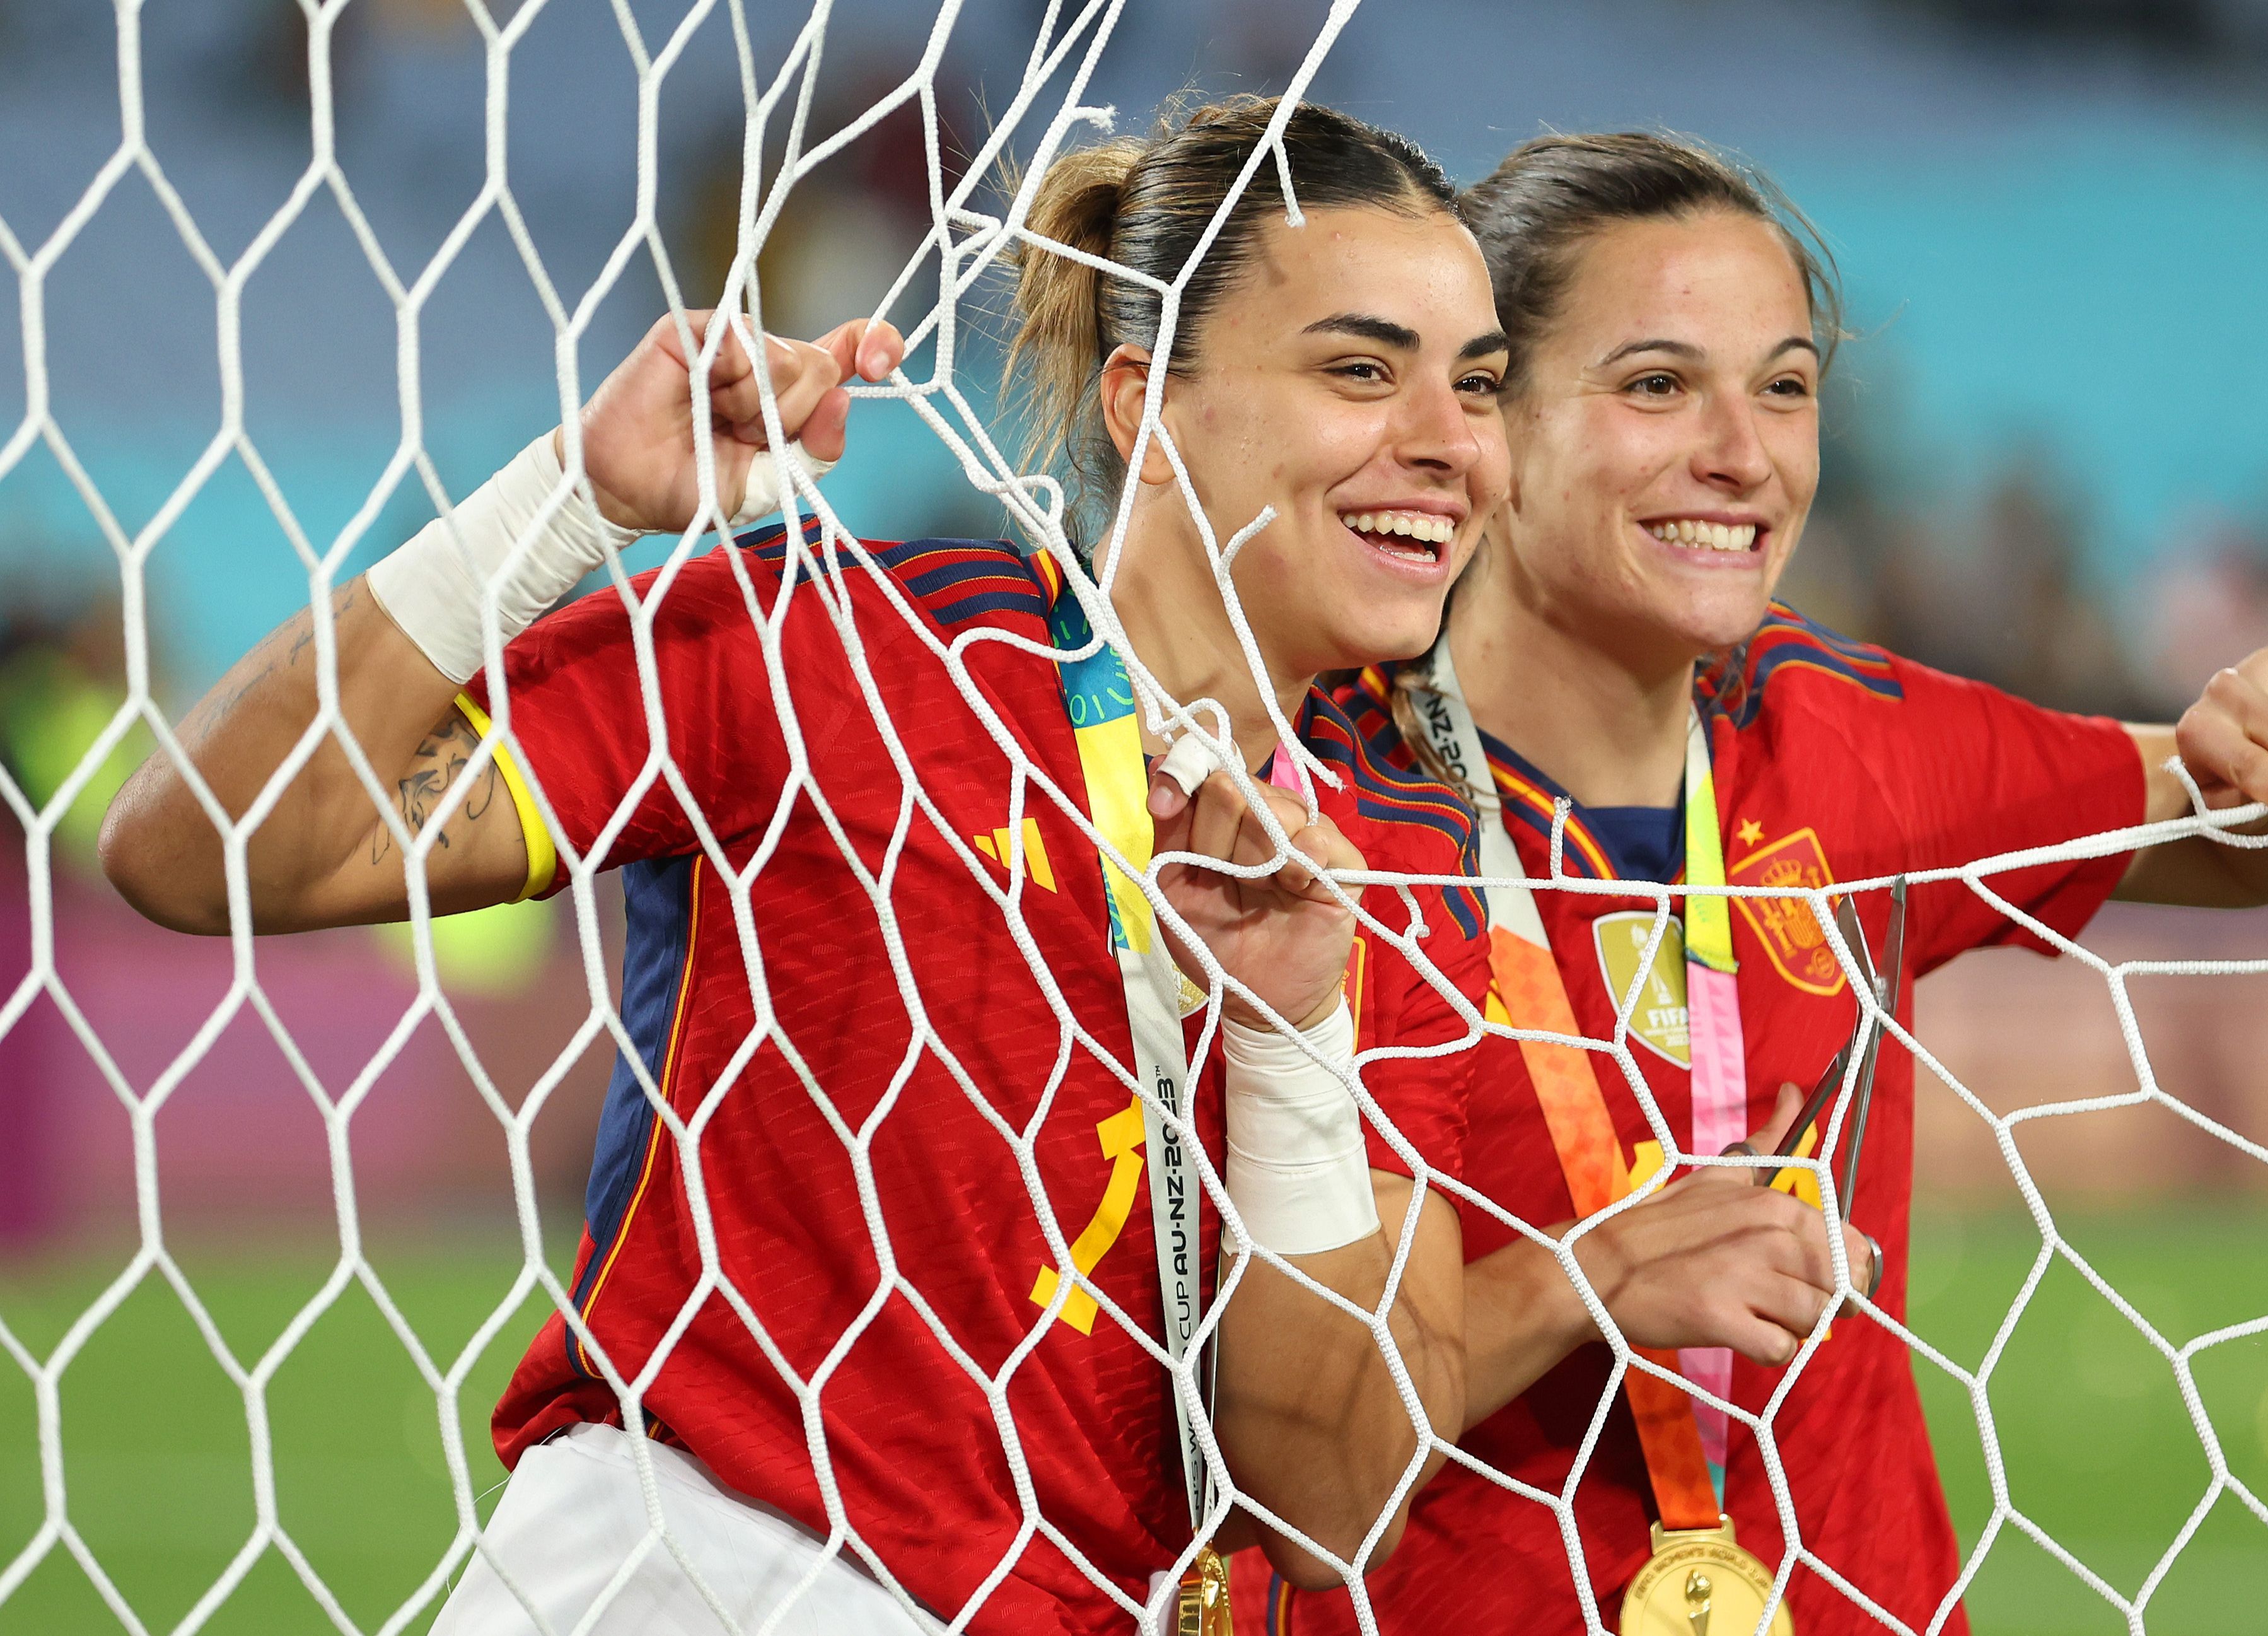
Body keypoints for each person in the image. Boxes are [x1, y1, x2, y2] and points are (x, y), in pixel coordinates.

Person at [97, 96, 1511, 1634]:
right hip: (706, 1578)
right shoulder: (849, 646)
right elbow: (203, 847)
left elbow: (1331, 1514)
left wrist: (1291, 1032)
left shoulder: (1409, 867)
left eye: (1480, 387)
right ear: (1146, 404)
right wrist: (573, 501)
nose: (1445, 445)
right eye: (1361, 370)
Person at [1244, 133, 2268, 1633]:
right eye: (1655, 386)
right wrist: (1590, 1273)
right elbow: (1300, 1476)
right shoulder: (1314, 834)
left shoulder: (1841, 737)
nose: (1742, 451)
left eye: (1782, 387)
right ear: (1487, 424)